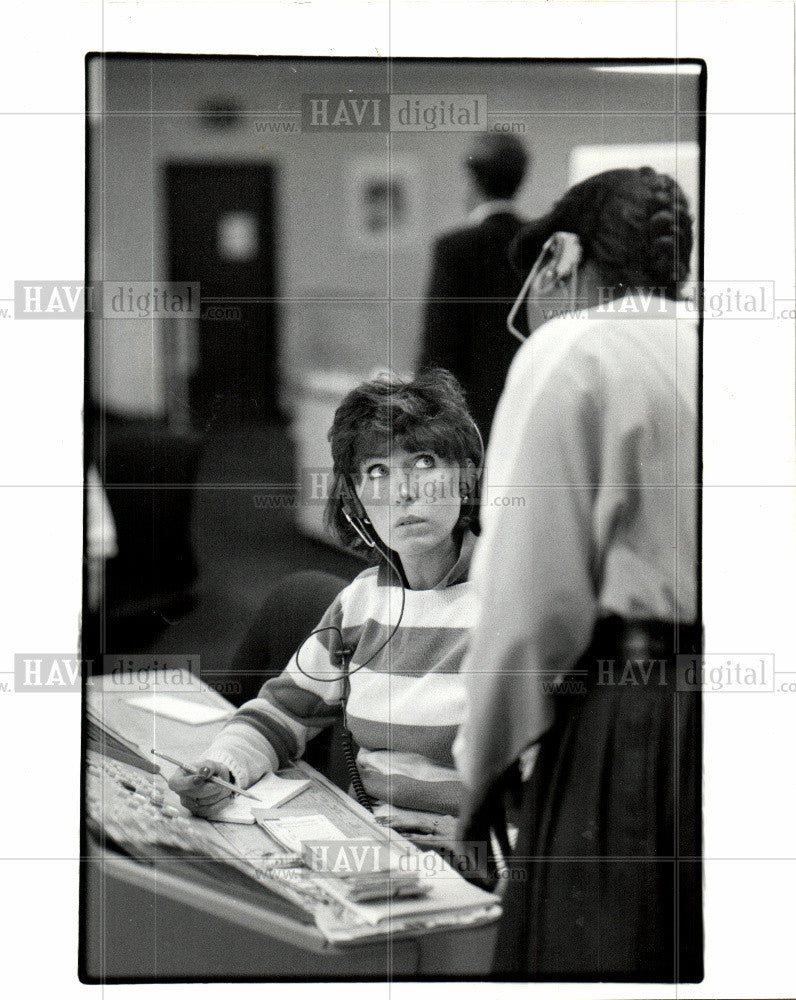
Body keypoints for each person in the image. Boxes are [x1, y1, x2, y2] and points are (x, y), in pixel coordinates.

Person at [453, 166, 703, 981]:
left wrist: (482, 765)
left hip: (630, 715)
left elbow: (531, 599)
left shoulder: (575, 348)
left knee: (594, 960)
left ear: (560, 255)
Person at [170, 368, 483, 840]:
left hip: (477, 858)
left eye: (423, 462)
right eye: (377, 472)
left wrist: (466, 838)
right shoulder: (360, 602)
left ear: (465, 477)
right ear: (356, 503)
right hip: (374, 840)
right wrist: (222, 769)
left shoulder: (511, 605)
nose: (403, 491)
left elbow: (560, 781)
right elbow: (282, 712)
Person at [417, 132, 530, 444]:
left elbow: (439, 346)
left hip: (471, 418)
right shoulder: (541, 244)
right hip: (527, 405)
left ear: (473, 180)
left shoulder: (455, 248)